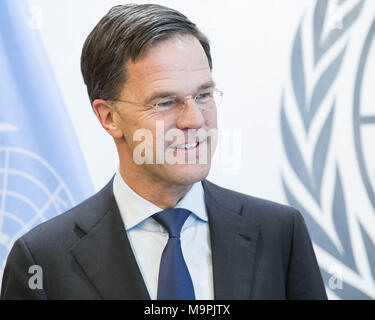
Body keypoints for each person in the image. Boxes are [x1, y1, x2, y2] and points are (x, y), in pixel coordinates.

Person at [1, 4, 327, 300]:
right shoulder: (42, 260)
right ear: (109, 117)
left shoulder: (280, 234)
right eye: (165, 103)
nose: (195, 120)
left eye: (203, 95)